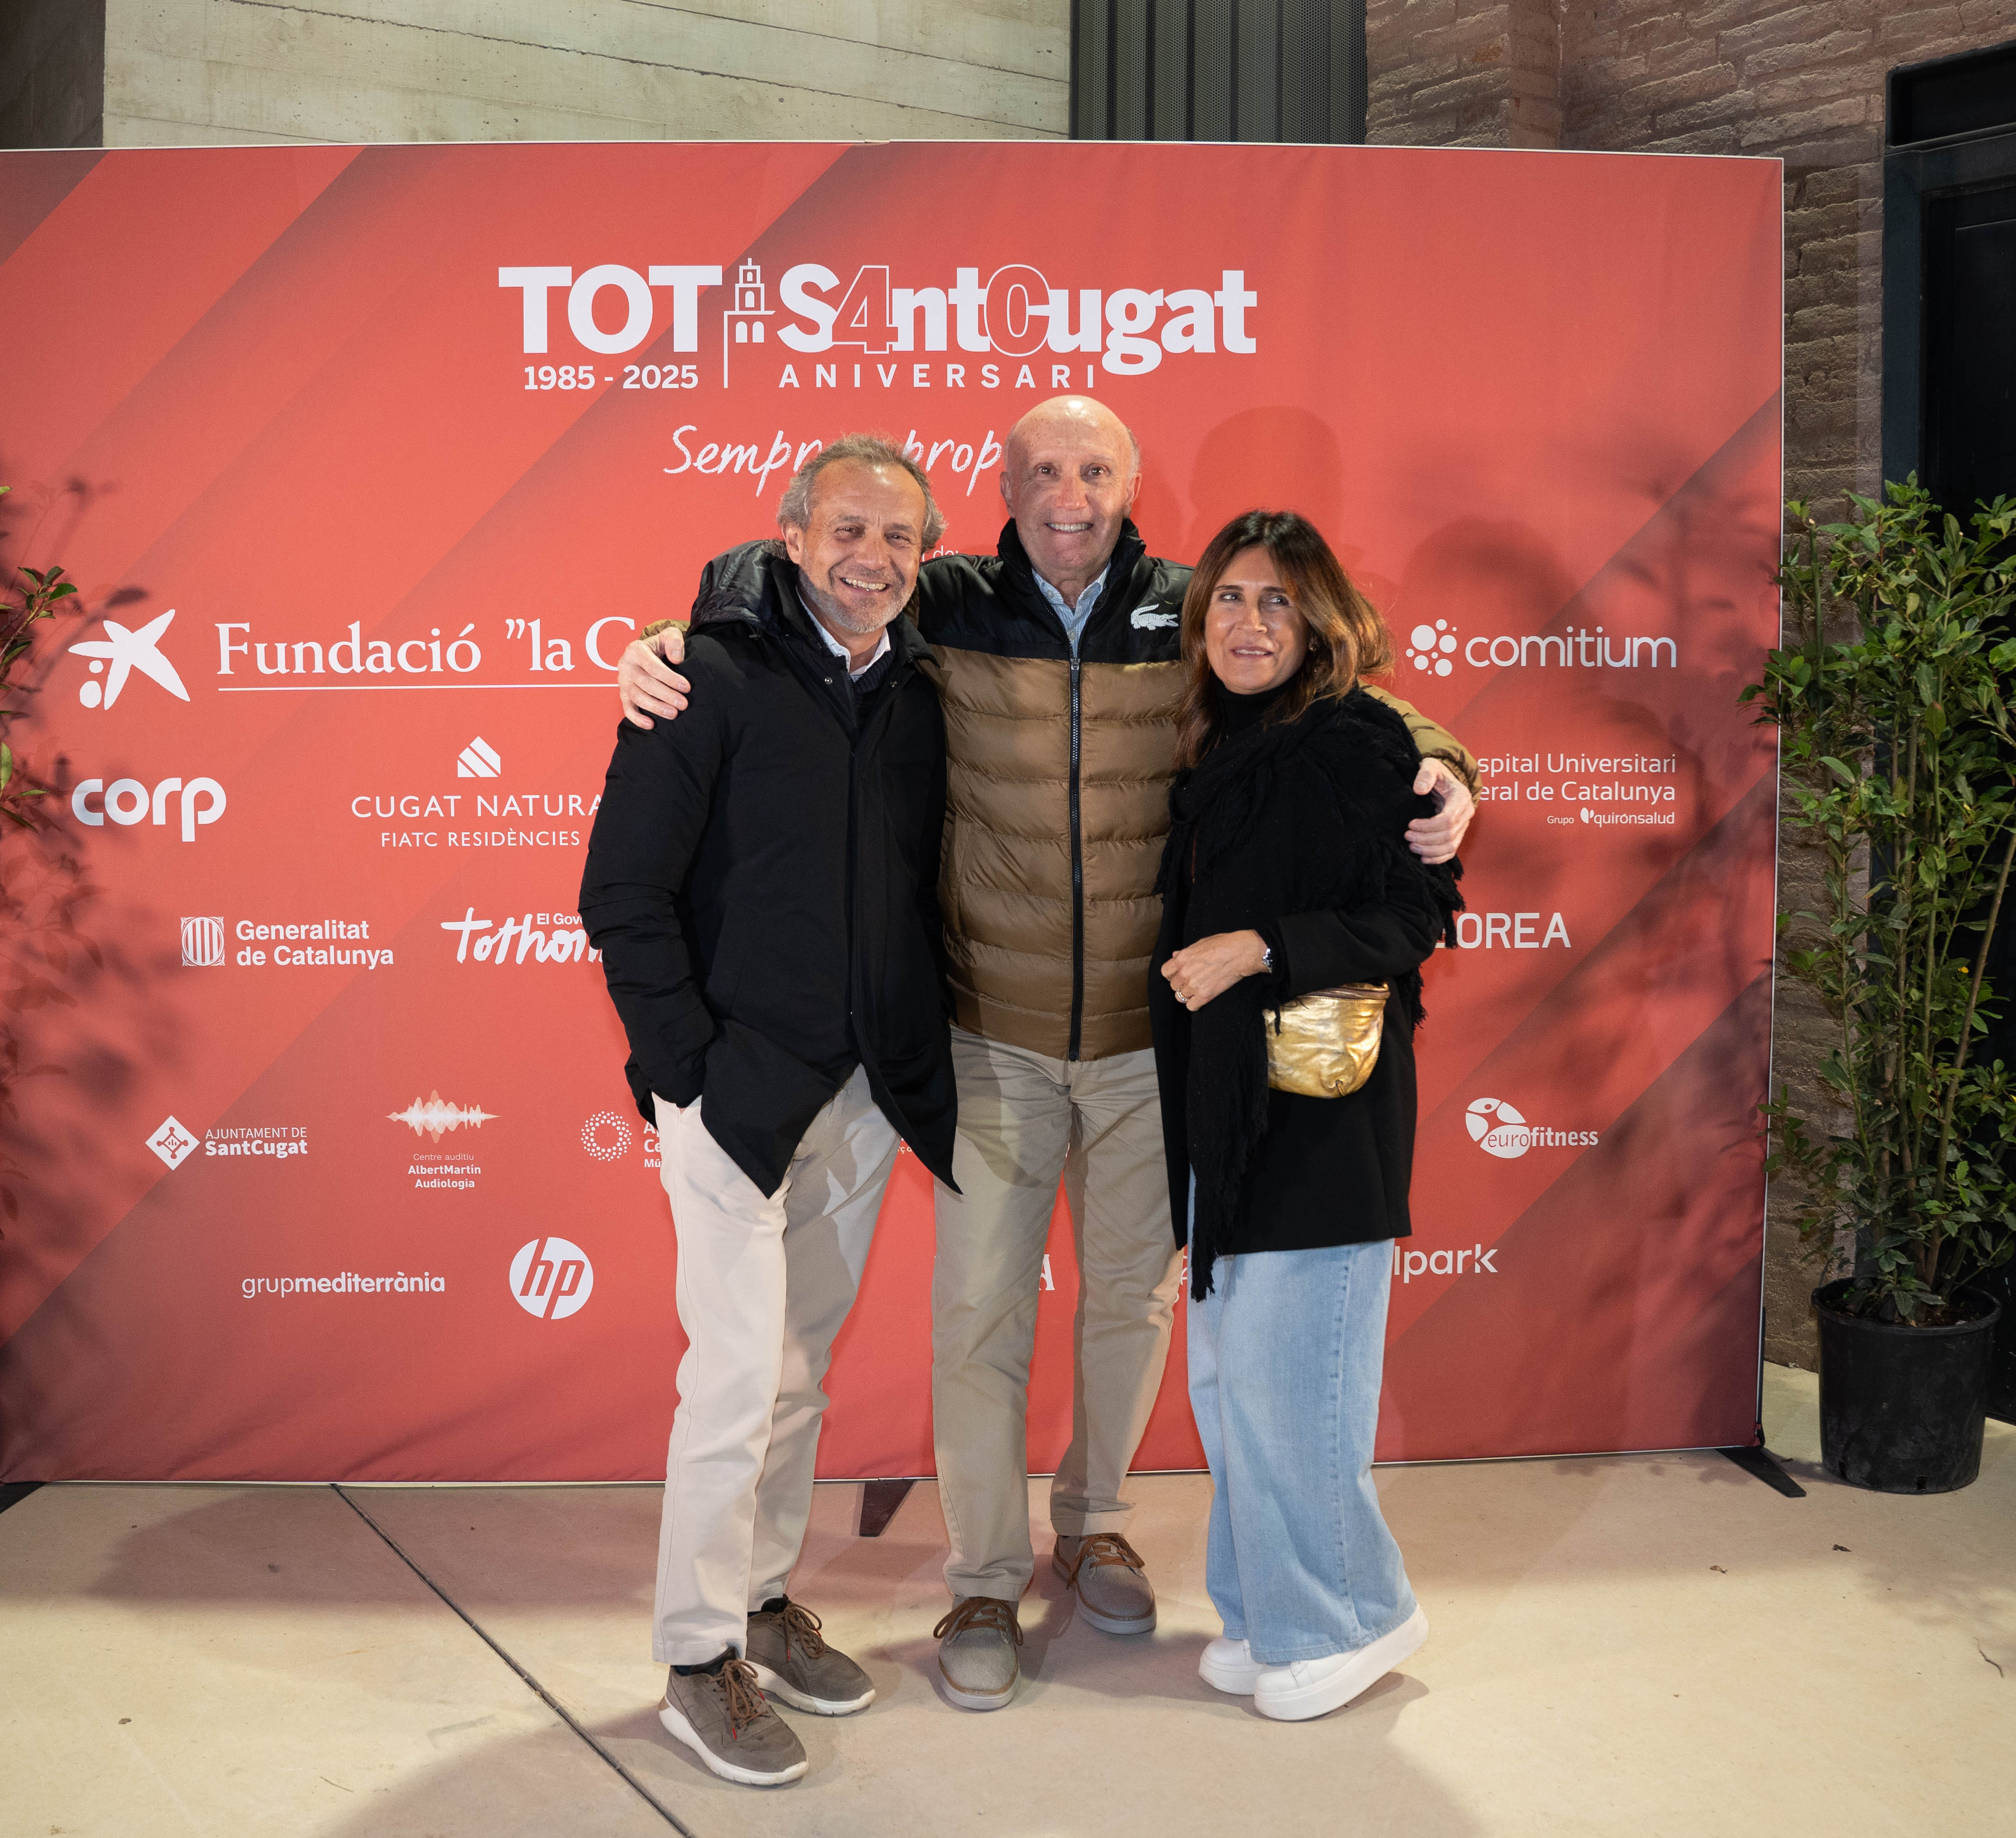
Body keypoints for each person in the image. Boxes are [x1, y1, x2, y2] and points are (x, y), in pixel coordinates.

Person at [618, 395, 1479, 1712]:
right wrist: (671, 633)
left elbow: (1334, 689)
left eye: (1092, 470)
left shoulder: (1195, 610)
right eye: (1041, 472)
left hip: (1153, 1040)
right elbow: (799, 580)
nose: (1068, 496)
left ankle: (1094, 1524)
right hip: (990, 1036)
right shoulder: (943, 600)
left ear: (1129, 484)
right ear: (1004, 489)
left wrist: (1443, 756)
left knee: (1132, 1300)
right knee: (979, 1312)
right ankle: (981, 1575)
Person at [579, 434, 957, 1787]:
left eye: (899, 537)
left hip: (860, 1091)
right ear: (790, 537)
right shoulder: (704, 674)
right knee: (736, 1377)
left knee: (795, 1372)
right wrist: (686, 1066)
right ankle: (695, 1661)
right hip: (734, 1092)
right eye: (846, 530)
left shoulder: (926, 685)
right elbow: (621, 892)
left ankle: (756, 1603)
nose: (873, 559)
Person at [1150, 509, 1462, 1723]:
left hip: (1324, 1125)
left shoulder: (1358, 740)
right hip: (1230, 1118)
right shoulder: (1221, 744)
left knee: (1295, 1399)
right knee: (1234, 1392)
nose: (1249, 622)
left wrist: (1261, 946)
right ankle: (1266, 1613)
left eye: (1277, 600)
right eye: (1228, 599)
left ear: (1321, 619)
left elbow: (1414, 915)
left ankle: (1352, 1619)